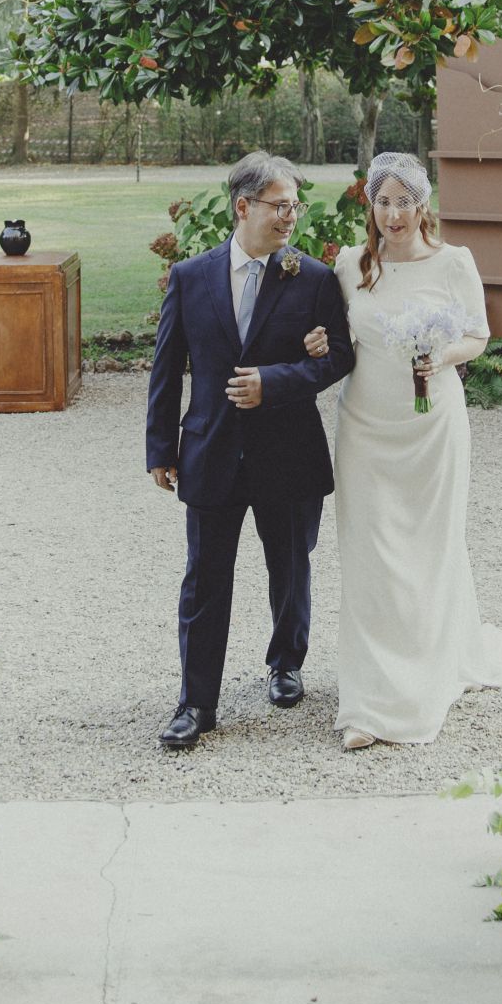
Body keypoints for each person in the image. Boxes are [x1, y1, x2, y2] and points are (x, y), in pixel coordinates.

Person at [304, 151, 502, 750]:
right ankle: (369, 699)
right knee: (370, 557)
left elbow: (477, 333)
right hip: (365, 427)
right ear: (370, 204)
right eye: (382, 201)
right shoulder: (351, 265)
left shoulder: (454, 263)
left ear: (424, 206)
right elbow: (336, 336)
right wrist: (317, 339)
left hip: (432, 427)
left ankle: (424, 678)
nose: (392, 215)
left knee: (427, 548)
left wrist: (439, 356)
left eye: (404, 202)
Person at [145, 152, 354, 752]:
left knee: (290, 568)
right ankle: (196, 702)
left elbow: (338, 356)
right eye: (279, 206)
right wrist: (161, 446)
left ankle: (286, 664)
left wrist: (276, 381)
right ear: (243, 207)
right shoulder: (190, 278)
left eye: (295, 206)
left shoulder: (313, 278)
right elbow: (166, 370)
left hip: (289, 452)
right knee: (204, 579)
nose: (291, 217)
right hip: (210, 451)